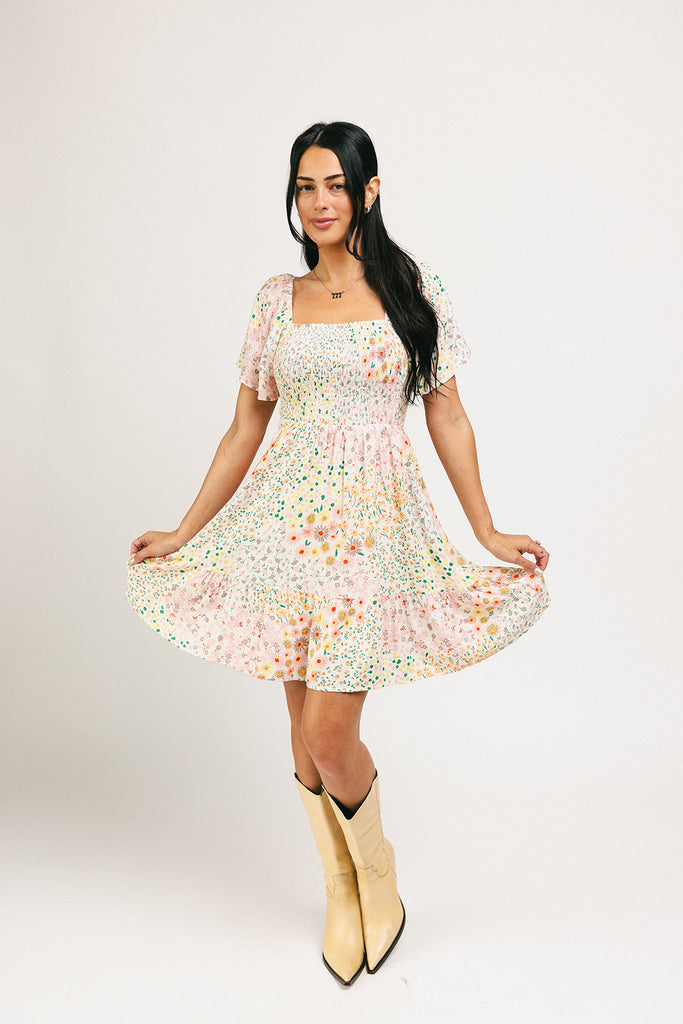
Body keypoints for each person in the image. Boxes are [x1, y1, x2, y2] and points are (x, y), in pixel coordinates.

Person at [126, 120, 551, 987]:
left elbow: (447, 414)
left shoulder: (411, 287)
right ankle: (339, 887)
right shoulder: (274, 298)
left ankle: (377, 873)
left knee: (328, 730)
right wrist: (184, 530)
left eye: (334, 185)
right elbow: (245, 426)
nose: (318, 202)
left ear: (369, 190)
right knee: (299, 730)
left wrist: (484, 527)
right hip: (283, 529)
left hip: (371, 531)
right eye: (304, 186)